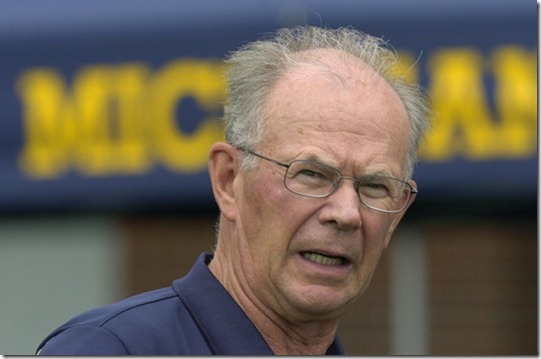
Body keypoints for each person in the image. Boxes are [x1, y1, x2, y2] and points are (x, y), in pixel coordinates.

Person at [37, 26, 430, 355]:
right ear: (228, 180)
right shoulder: (106, 350)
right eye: (312, 174)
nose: (346, 212)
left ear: (397, 214)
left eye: (376, 186)